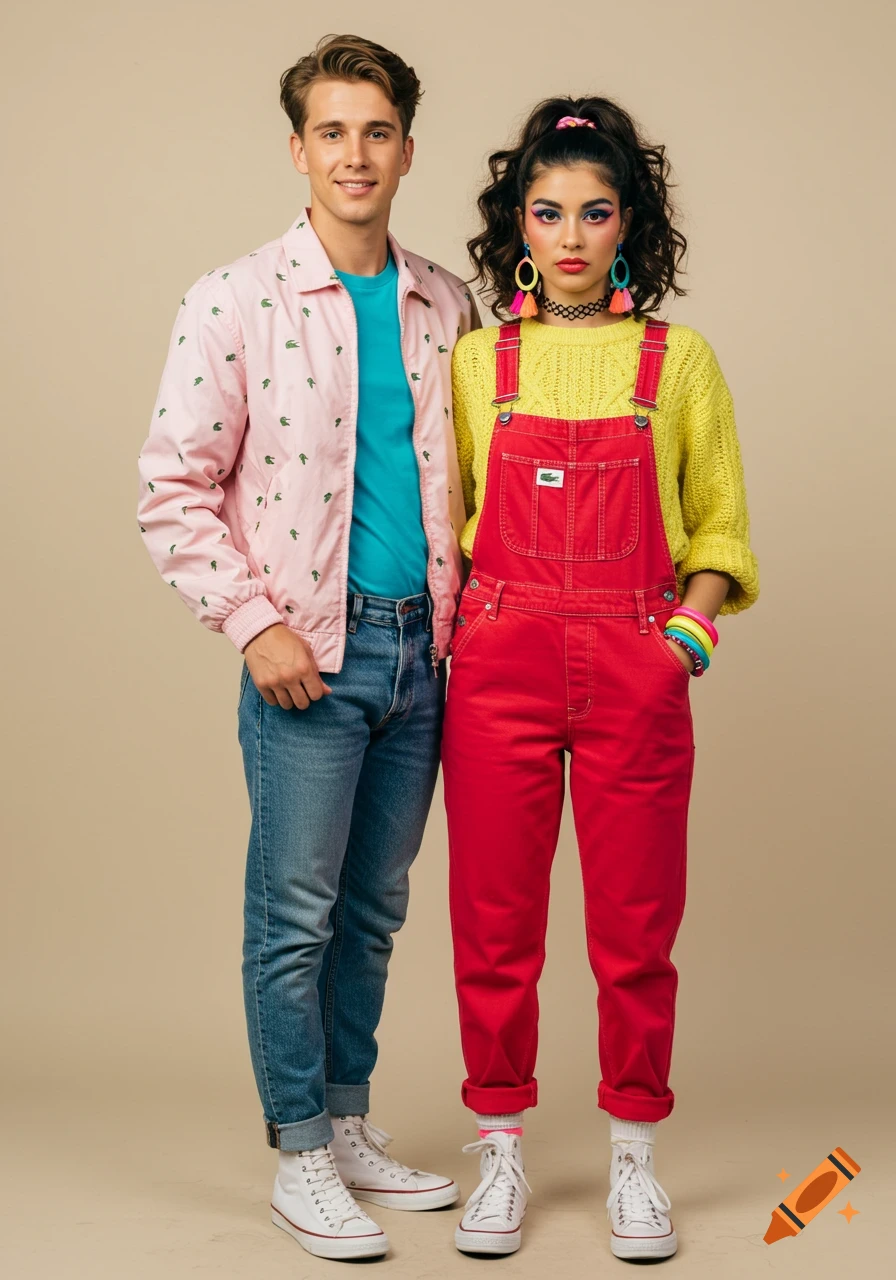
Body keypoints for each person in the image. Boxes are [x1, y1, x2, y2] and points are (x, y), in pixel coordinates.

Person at [136, 34, 479, 1262]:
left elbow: (470, 486)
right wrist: (254, 623)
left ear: (403, 147)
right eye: (331, 131)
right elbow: (171, 485)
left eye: (375, 130)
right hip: (308, 660)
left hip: (423, 654)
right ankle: (295, 1153)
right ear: (297, 148)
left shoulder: (447, 301)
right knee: (293, 911)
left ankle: (345, 1121)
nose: (355, 153)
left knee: (374, 911)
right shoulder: (235, 297)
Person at [442, 97, 759, 1260]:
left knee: (633, 929)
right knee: (492, 924)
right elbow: (449, 519)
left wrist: (683, 635)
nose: (568, 235)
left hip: (634, 664)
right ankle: (501, 1151)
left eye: (593, 211)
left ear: (628, 225)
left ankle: (633, 1160)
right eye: (545, 212)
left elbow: (719, 530)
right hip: (500, 662)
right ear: (515, 226)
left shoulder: (679, 362)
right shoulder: (479, 362)